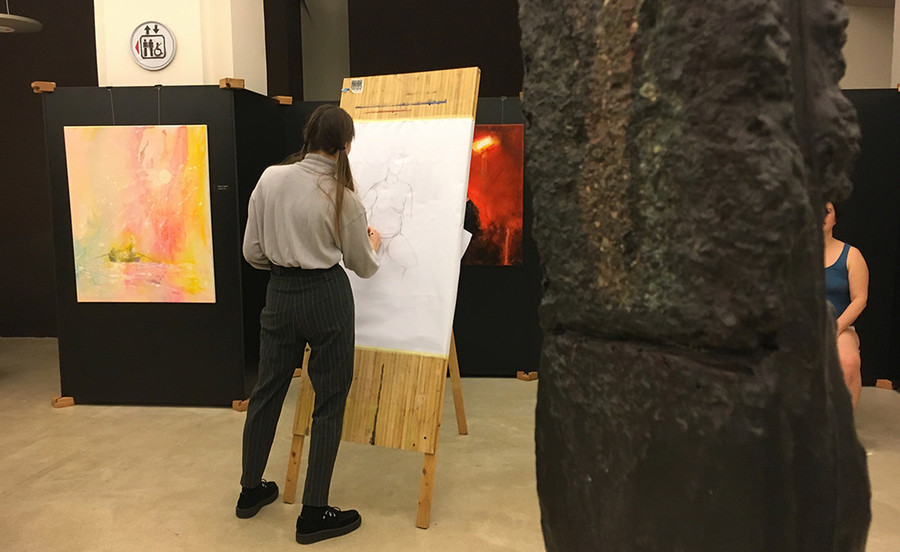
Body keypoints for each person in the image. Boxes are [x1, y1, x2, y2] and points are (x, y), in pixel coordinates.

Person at [236, 105, 381, 544]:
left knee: (267, 391)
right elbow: (363, 266)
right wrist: (372, 244)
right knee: (329, 400)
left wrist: (286, 264)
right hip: (326, 297)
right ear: (346, 145)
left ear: (308, 135)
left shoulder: (270, 179)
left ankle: (250, 491)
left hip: (279, 294)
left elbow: (252, 252)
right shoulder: (343, 197)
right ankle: (313, 512)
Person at [823, 201, 868, 409]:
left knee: (849, 363)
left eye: (826, 211)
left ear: (835, 218)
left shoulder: (852, 255)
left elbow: (860, 299)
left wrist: (834, 328)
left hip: (839, 327)